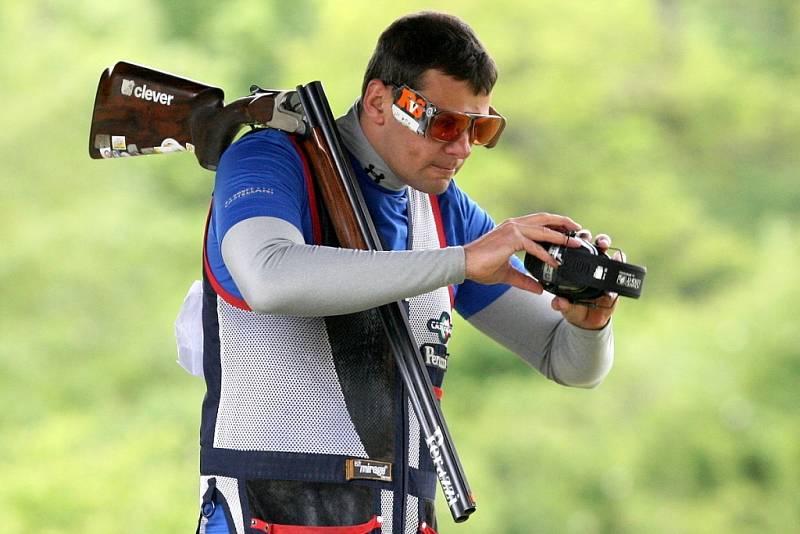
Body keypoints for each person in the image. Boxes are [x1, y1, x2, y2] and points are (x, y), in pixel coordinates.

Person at [196, 11, 617, 534]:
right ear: (378, 102)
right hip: (272, 511)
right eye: (444, 124)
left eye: (479, 128)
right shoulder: (268, 157)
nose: (462, 148)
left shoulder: (444, 210)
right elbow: (269, 277)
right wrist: (459, 262)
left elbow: (567, 362)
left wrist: (589, 320)